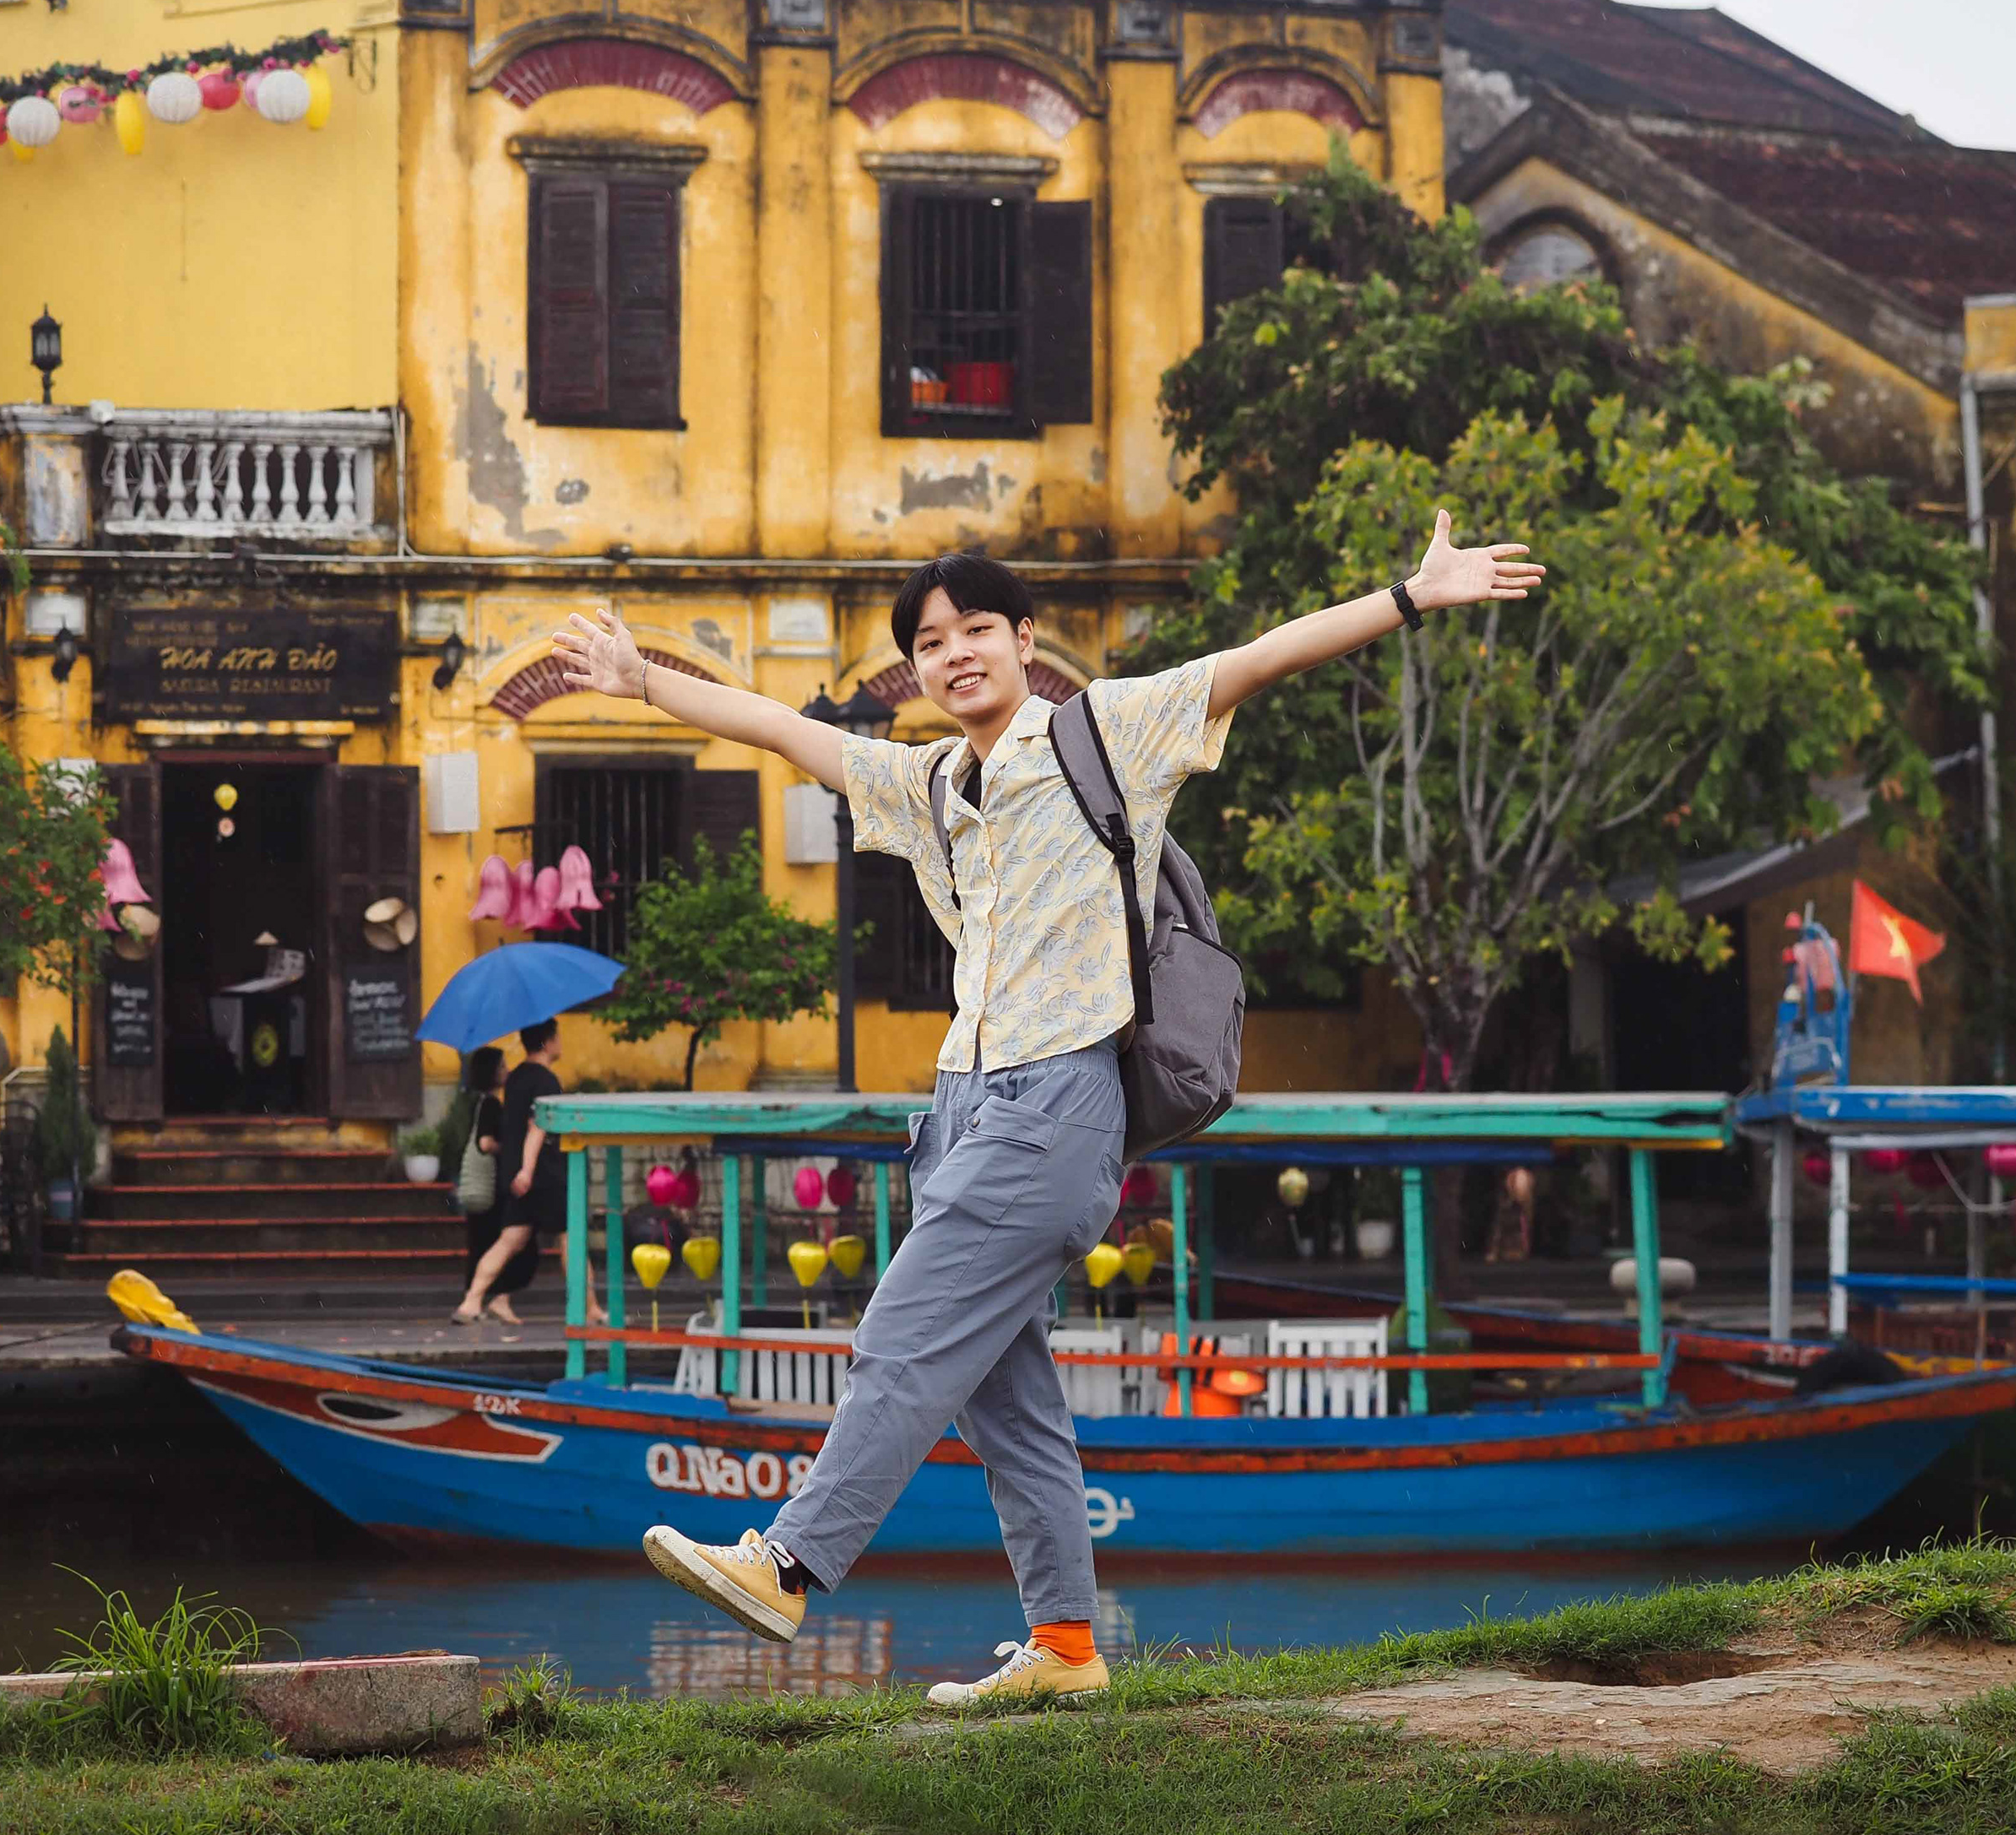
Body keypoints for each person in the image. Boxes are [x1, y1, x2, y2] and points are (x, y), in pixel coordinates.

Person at [550, 512, 1542, 1708]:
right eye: (931, 639)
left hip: (1058, 1102)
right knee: (1004, 1401)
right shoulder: (921, 783)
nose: (956, 651)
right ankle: (1067, 1649)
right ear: (915, 669)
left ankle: (789, 1563)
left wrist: (1412, 595)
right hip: (961, 1112)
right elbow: (776, 727)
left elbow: (1263, 656)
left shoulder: (1105, 733)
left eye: (978, 627)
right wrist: (640, 680)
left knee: (902, 1338)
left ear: (1026, 640)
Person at [453, 1020, 564, 1324]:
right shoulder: (545, 1082)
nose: (560, 1043)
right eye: (557, 1037)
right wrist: (527, 1169)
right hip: (541, 1175)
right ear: (547, 1041)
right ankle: (589, 1306)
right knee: (569, 1237)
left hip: (517, 1176)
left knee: (510, 1241)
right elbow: (536, 1127)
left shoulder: (515, 1081)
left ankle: (473, 1300)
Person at [450, 1045, 537, 1319]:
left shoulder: (474, 1102)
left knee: (483, 1244)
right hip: (491, 1188)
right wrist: (509, 1146)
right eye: (502, 1066)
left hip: (482, 1189)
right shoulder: (490, 1103)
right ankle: (495, 1299)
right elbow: (485, 1143)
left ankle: (478, 1300)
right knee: (508, 1244)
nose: (507, 1071)